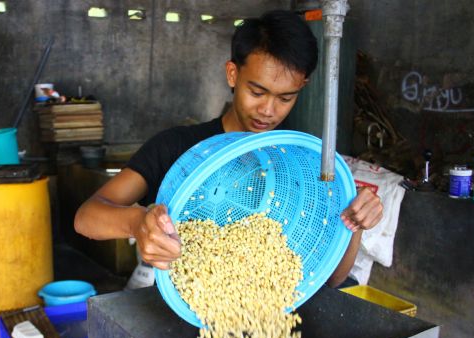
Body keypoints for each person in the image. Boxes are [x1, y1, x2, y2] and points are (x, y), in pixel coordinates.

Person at [74, 10, 383, 288]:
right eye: (257, 91)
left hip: (264, 314)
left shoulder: (299, 165)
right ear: (233, 74)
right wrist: (138, 223)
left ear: (302, 87)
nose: (268, 110)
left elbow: (331, 278)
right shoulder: (176, 147)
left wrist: (355, 223)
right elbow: (86, 218)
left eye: (285, 98)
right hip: (187, 313)